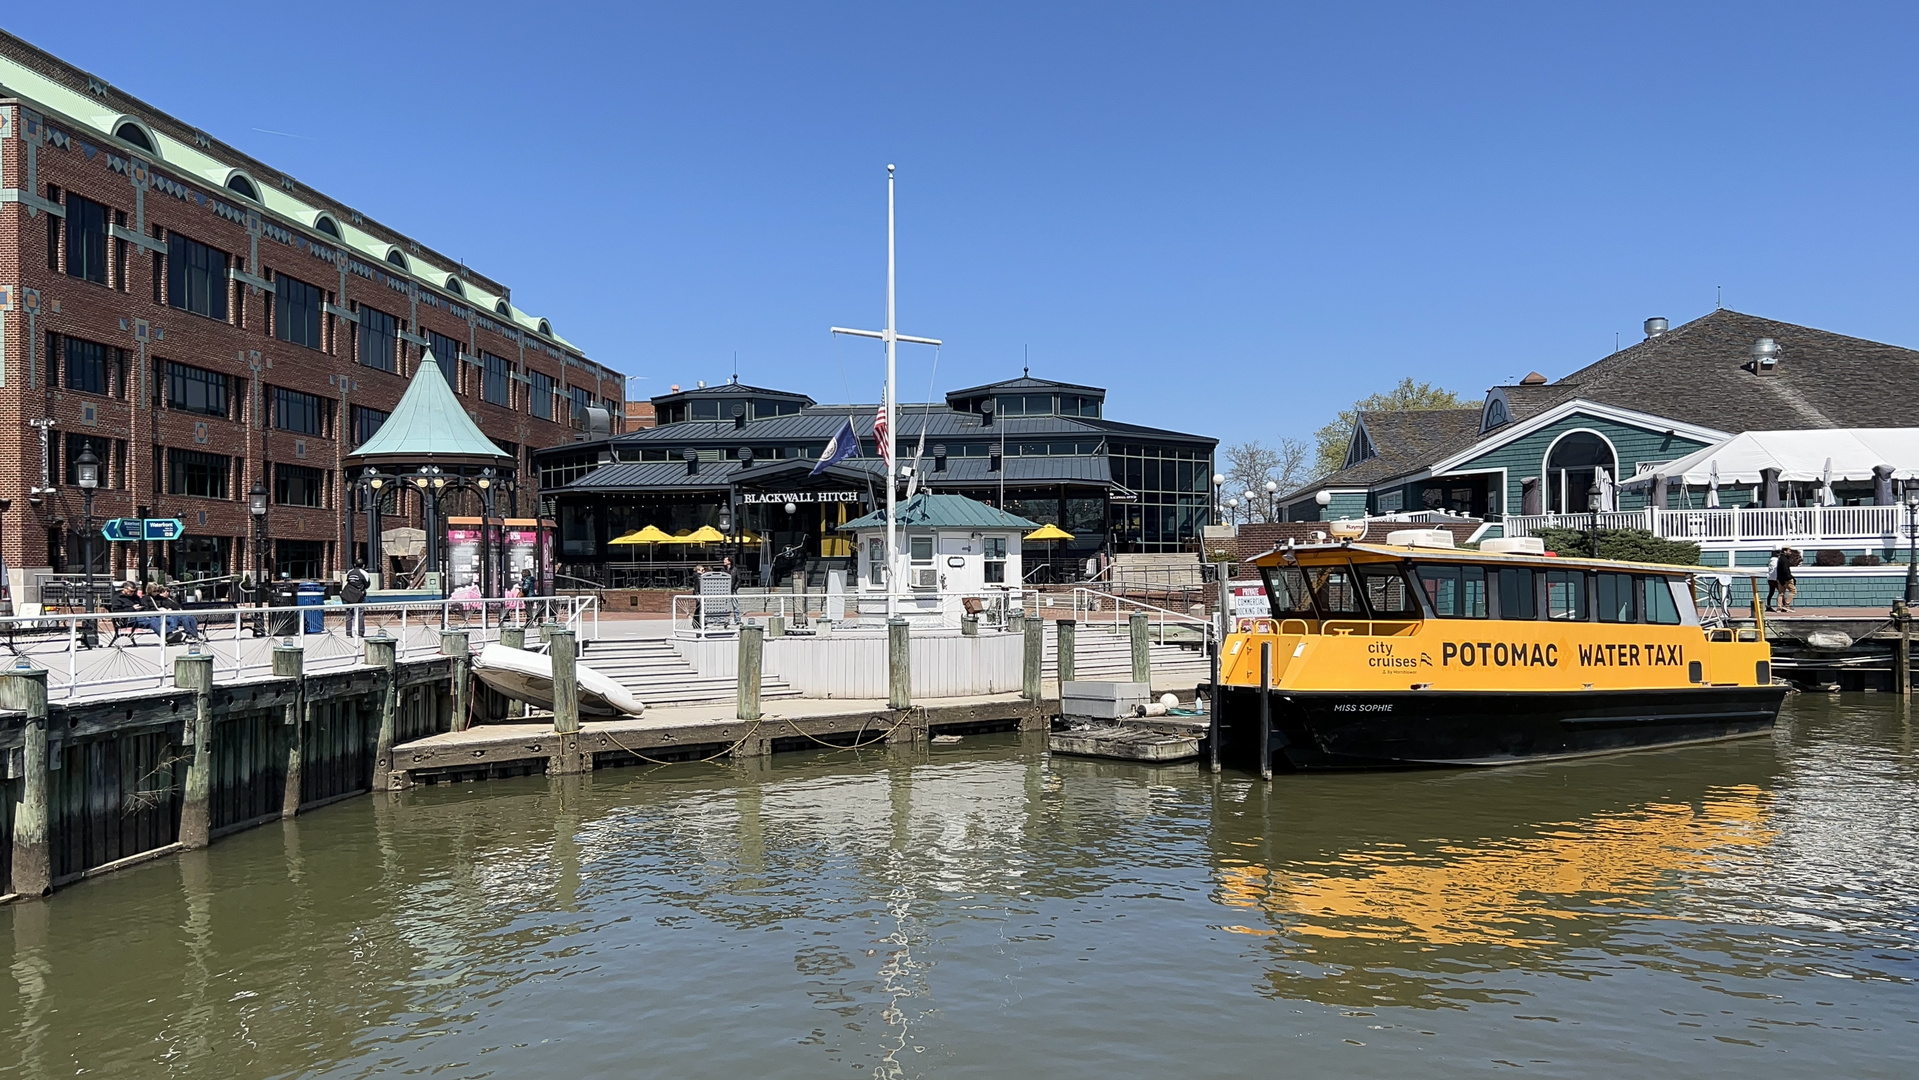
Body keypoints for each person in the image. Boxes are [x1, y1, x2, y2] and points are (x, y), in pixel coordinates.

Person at [341, 565, 369, 637]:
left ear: (354, 565)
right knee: (360, 613)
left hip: (348, 594)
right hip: (359, 596)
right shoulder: (364, 573)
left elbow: (346, 582)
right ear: (363, 565)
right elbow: (367, 584)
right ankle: (360, 632)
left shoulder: (349, 572)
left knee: (349, 614)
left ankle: (348, 633)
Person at [1777, 547, 1798, 612]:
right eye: (1789, 551)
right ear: (1785, 551)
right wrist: (1790, 578)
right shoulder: (1785, 559)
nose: (1790, 552)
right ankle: (1787, 605)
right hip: (1786, 579)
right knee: (1793, 591)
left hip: (1780, 578)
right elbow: (1785, 570)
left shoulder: (1780, 558)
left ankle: (1779, 607)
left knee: (1781, 593)